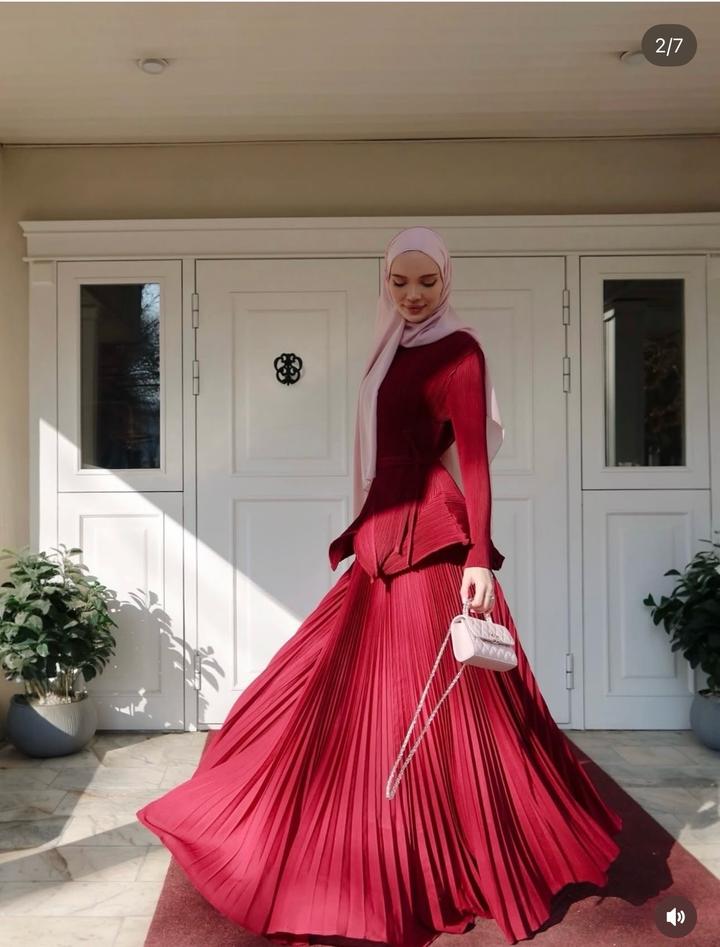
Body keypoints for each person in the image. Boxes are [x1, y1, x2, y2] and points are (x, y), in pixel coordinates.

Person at [136, 227, 623, 947]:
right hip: (384, 530)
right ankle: (373, 826)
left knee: (429, 698)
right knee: (338, 684)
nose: (412, 294)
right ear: (385, 283)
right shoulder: (390, 347)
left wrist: (479, 558)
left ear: (447, 280)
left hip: (432, 539)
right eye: (399, 282)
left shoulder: (461, 351)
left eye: (426, 282)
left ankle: (432, 846)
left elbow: (475, 462)